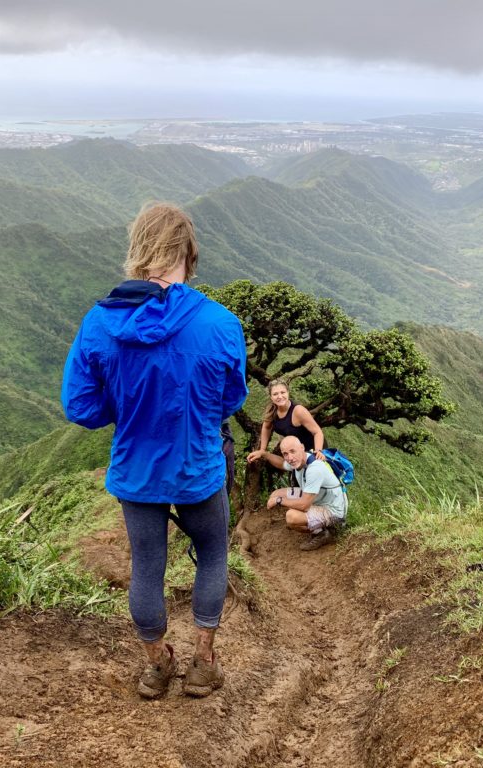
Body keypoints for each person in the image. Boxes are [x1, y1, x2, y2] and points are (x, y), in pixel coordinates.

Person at [61, 202, 248, 700]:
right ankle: (203, 662)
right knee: (212, 554)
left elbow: (79, 406)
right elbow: (231, 398)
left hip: (136, 471)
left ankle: (157, 665)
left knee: (147, 566)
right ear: (188, 254)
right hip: (199, 467)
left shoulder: (100, 324)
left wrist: (126, 408)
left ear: (137, 252)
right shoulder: (220, 323)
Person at [261, 436, 347, 551]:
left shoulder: (314, 469)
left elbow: (304, 505)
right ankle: (315, 523)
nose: (290, 458)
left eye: (292, 451)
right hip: (316, 498)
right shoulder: (299, 460)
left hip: (332, 510)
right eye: (285, 454)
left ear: (302, 448)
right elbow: (282, 464)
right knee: (276, 494)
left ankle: (324, 533)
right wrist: (263, 454)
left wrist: (279, 501)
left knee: (291, 517)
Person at [246, 379, 327, 466]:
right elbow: (266, 427)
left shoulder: (298, 411)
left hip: (315, 449)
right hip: (295, 452)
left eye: (283, 392)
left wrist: (318, 451)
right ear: (271, 397)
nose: (280, 396)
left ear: (288, 392)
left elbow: (317, 432)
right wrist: (262, 449)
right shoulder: (272, 411)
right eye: (275, 394)